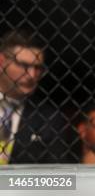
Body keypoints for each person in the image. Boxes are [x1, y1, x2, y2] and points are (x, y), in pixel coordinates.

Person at [0, 29, 76, 163]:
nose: (32, 75)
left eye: (38, 68)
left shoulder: (50, 119)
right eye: (24, 65)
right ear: (1, 62)